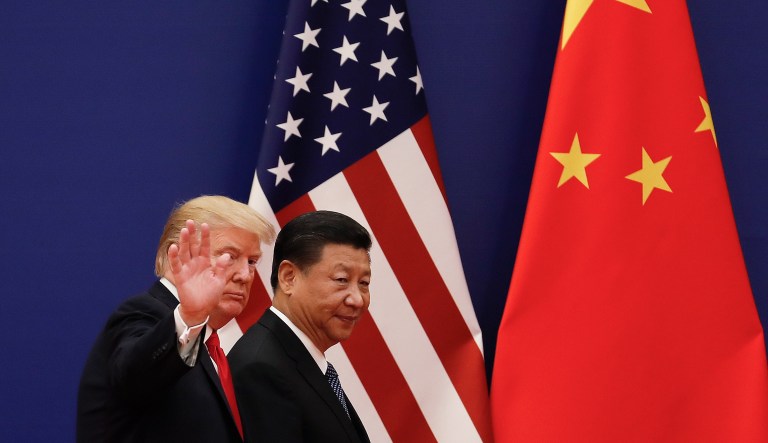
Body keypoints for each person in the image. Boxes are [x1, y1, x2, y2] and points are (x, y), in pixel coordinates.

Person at [76, 195, 275, 443]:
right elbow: (135, 378)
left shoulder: (209, 343)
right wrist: (190, 316)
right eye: (229, 256)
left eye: (252, 261)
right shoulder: (142, 313)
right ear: (178, 255)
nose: (245, 275)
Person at [229, 210, 372, 443]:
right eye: (341, 280)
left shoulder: (298, 359)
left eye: (364, 283)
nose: (357, 299)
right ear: (289, 277)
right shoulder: (261, 369)